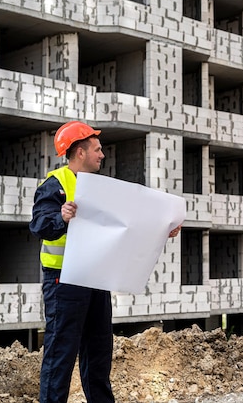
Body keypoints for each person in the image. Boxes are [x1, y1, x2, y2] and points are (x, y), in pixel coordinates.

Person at [30, 120, 181, 403]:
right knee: (60, 352)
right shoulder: (55, 184)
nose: (102, 155)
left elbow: (128, 225)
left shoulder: (101, 187)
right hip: (64, 282)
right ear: (80, 152)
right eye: (97, 149)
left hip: (96, 279)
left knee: (99, 353)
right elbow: (38, 225)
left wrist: (164, 228)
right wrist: (59, 217)